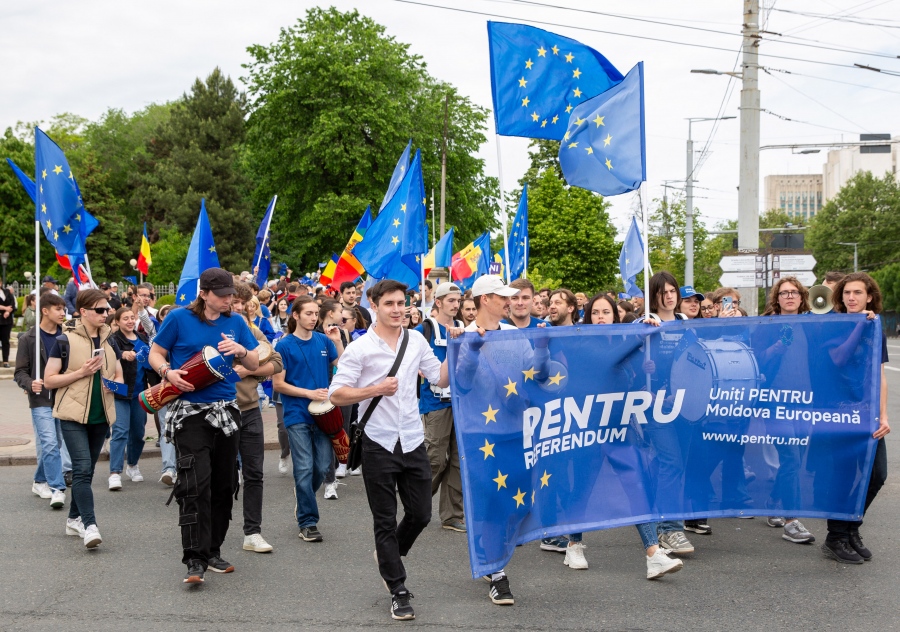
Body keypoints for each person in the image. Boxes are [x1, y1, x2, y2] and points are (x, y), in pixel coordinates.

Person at [330, 280, 456, 621]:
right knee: (384, 520)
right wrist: (375, 389)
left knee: (420, 515)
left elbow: (440, 379)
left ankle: (388, 556)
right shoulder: (360, 349)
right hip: (378, 442)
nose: (398, 309)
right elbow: (337, 394)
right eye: (390, 304)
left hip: (413, 439)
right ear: (374, 305)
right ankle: (398, 589)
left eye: (402, 303)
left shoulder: (416, 340)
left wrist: (459, 350)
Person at [149, 268, 260, 584]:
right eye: (223, 295)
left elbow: (253, 363)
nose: (228, 300)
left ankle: (213, 550)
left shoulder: (237, 322)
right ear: (204, 293)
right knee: (194, 485)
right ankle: (194, 559)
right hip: (191, 414)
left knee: (225, 486)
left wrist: (241, 351)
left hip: (226, 412)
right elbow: (156, 353)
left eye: (231, 295)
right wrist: (167, 372)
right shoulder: (179, 319)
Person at [578, 292, 685, 579]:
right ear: (588, 318)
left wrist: (642, 373)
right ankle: (574, 543)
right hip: (587, 429)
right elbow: (607, 362)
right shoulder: (583, 343)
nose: (601, 318)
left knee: (636, 484)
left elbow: (626, 380)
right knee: (583, 487)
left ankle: (653, 553)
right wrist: (641, 334)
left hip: (620, 428)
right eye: (596, 313)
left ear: (616, 316)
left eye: (606, 313)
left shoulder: (624, 346)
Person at [43, 289, 124, 549]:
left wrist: (114, 384)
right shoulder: (64, 340)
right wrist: (81, 372)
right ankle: (90, 525)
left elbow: (119, 375)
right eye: (100, 310)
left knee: (86, 471)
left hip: (100, 415)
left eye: (107, 309)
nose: (106, 314)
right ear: (84, 311)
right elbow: (49, 380)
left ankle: (73, 519)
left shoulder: (110, 339)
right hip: (72, 414)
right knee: (81, 468)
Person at [821, 272, 889, 564]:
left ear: (869, 296)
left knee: (877, 475)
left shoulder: (876, 327)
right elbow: (839, 358)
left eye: (858, 293)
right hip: (839, 413)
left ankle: (851, 528)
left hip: (867, 414)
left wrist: (883, 415)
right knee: (844, 476)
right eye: (847, 293)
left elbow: (880, 375)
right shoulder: (835, 325)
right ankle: (835, 537)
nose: (851, 297)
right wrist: (858, 328)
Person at [273, 295, 344, 542]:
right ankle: (308, 521)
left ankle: (303, 497)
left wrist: (338, 342)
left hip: (324, 414)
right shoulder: (283, 345)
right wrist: (308, 393)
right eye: (308, 314)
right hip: (297, 414)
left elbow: (344, 368)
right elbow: (278, 384)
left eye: (316, 314)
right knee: (303, 467)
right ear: (295, 316)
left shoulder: (324, 340)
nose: (314, 318)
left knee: (323, 465)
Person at [752, 278, 817, 544]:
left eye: (794, 293)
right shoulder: (766, 326)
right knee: (790, 457)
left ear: (802, 298)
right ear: (776, 299)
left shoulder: (812, 326)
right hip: (776, 403)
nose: (789, 296)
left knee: (797, 458)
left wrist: (867, 316)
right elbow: (756, 361)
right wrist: (777, 347)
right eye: (784, 293)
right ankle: (791, 522)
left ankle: (774, 501)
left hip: (805, 403)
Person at [640, 272, 696, 555]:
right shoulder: (645, 324)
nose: (670, 296)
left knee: (675, 465)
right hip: (655, 407)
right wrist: (642, 370)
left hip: (684, 406)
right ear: (655, 295)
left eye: (673, 290)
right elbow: (627, 362)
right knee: (671, 462)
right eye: (663, 292)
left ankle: (661, 521)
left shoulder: (687, 324)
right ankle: (670, 529)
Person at [232, 284, 283, 554]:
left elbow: (276, 361)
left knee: (254, 473)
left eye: (243, 303)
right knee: (220, 476)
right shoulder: (206, 329)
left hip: (249, 409)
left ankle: (252, 532)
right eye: (234, 302)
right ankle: (211, 532)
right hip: (216, 411)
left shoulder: (250, 331)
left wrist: (250, 371)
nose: (239, 307)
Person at [415, 283, 466, 533]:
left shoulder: (463, 328)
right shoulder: (424, 328)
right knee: (435, 458)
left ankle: (452, 515)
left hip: (462, 402)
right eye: (451, 301)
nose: (456, 305)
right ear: (438, 302)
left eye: (458, 300)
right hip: (435, 402)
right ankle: (416, 505)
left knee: (459, 460)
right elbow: (407, 357)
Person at [14, 292, 72, 508]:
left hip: (62, 397)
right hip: (40, 399)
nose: (62, 313)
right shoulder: (28, 338)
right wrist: (30, 384)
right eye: (58, 309)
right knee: (49, 442)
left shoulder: (66, 336)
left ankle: (39, 480)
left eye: (63, 308)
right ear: (45, 311)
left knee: (55, 443)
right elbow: (20, 372)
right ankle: (57, 488)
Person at [108, 308, 151, 491]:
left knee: (138, 433)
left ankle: (132, 465)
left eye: (132, 318)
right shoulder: (113, 340)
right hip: (120, 392)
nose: (129, 321)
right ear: (117, 321)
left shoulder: (142, 339)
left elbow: (150, 363)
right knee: (120, 431)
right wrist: (122, 355)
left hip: (139, 393)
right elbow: (107, 361)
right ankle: (114, 473)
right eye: (125, 318)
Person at [0, 281, 15, 368]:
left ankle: (6, 360)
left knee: (5, 341)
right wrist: (5, 308)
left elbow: (12, 303)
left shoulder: (6, 292)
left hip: (6, 320)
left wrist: (8, 311)